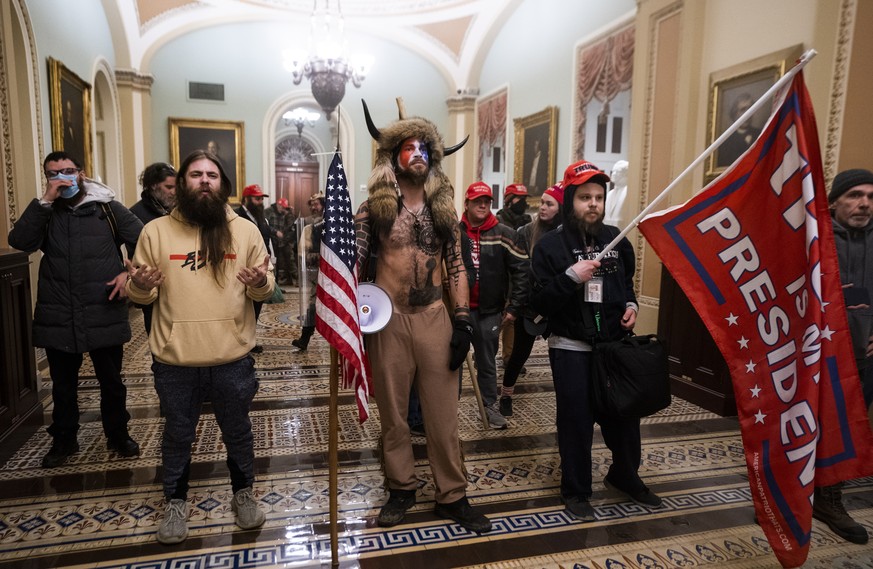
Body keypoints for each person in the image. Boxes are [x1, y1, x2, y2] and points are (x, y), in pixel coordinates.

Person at [125, 149, 274, 545]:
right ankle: (175, 501)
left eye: (212, 174)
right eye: (195, 174)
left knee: (238, 431)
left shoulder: (244, 231)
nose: (204, 180)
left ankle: (243, 492)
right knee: (177, 433)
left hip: (232, 357)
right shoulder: (154, 232)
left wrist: (259, 282)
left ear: (222, 184)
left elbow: (266, 286)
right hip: (175, 359)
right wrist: (140, 286)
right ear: (183, 183)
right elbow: (138, 294)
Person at [355, 99, 491, 533]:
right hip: (388, 321)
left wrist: (465, 319)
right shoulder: (373, 210)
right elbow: (352, 266)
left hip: (435, 318)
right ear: (394, 156)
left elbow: (456, 265)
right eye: (408, 147)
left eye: (423, 148)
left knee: (443, 415)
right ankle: (401, 488)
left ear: (432, 158)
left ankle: (452, 495)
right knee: (393, 415)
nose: (417, 153)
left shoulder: (444, 211)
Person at [529, 160, 662, 521]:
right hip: (571, 348)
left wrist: (632, 305)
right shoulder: (550, 248)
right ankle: (576, 490)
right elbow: (538, 303)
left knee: (624, 416)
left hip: (615, 348)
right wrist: (571, 276)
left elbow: (626, 286)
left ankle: (625, 475)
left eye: (599, 197)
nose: (593, 204)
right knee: (576, 421)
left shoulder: (616, 241)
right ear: (571, 199)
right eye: (585, 197)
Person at [8, 151, 143, 468]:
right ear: (48, 179)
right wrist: (44, 200)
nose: (62, 178)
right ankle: (64, 440)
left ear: (81, 173)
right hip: (59, 312)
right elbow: (20, 242)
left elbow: (146, 238)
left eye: (68, 171)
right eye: (54, 174)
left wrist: (129, 273)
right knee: (63, 385)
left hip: (103, 307)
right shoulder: (46, 211)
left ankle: (118, 434)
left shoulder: (106, 208)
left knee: (112, 381)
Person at [819, 167, 873, 545]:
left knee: (845, 429)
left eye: (870, 197)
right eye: (855, 195)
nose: (864, 204)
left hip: (863, 357)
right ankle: (787, 491)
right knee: (806, 426)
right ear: (835, 200)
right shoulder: (815, 240)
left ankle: (830, 498)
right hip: (818, 355)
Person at [460, 181, 528, 429]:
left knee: (487, 361)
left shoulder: (505, 233)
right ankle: (447, 407)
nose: (482, 205)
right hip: (458, 312)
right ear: (466, 204)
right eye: (477, 201)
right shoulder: (456, 232)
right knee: (453, 361)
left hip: (489, 312)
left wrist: (513, 308)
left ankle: (488, 407)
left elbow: (522, 270)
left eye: (486, 201)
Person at [499, 182, 565, 416]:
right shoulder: (526, 231)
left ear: (561, 208)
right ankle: (506, 396)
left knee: (562, 358)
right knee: (519, 355)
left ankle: (567, 402)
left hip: (558, 307)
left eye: (549, 204)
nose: (542, 208)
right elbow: (518, 270)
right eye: (543, 202)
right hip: (529, 304)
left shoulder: (566, 235)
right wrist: (515, 302)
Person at [131, 162, 177, 334]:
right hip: (151, 285)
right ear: (153, 186)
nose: (174, 192)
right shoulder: (135, 214)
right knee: (158, 335)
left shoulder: (179, 211)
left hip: (178, 284)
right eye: (169, 187)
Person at [236, 184, 272, 353]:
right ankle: (239, 339)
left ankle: (250, 339)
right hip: (242, 271)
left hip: (260, 271)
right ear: (246, 200)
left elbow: (267, 240)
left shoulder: (262, 218)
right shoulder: (237, 217)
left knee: (256, 306)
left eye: (261, 199)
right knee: (242, 307)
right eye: (257, 199)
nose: (260, 202)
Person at [292, 193, 325, 351]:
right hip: (317, 272)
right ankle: (304, 339)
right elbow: (302, 253)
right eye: (311, 204)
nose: (313, 207)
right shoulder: (308, 226)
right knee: (312, 305)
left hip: (336, 274)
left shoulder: (336, 223)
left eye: (316, 203)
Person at [718, 92, 761, 167]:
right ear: (735, 113)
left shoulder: (761, 134)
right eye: (743, 110)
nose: (747, 113)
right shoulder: (726, 141)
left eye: (750, 108)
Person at [265, 197, 294, 285]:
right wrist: (275, 231)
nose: (283, 209)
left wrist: (290, 212)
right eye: (281, 206)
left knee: (278, 264)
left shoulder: (284, 213)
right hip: (271, 240)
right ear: (278, 204)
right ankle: (272, 283)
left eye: (284, 207)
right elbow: (265, 225)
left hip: (280, 242)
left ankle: (277, 283)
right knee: (272, 263)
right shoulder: (268, 211)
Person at [604, 160, 628, 227]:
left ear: (625, 174)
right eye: (613, 171)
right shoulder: (609, 194)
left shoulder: (628, 193)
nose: (613, 174)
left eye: (617, 172)